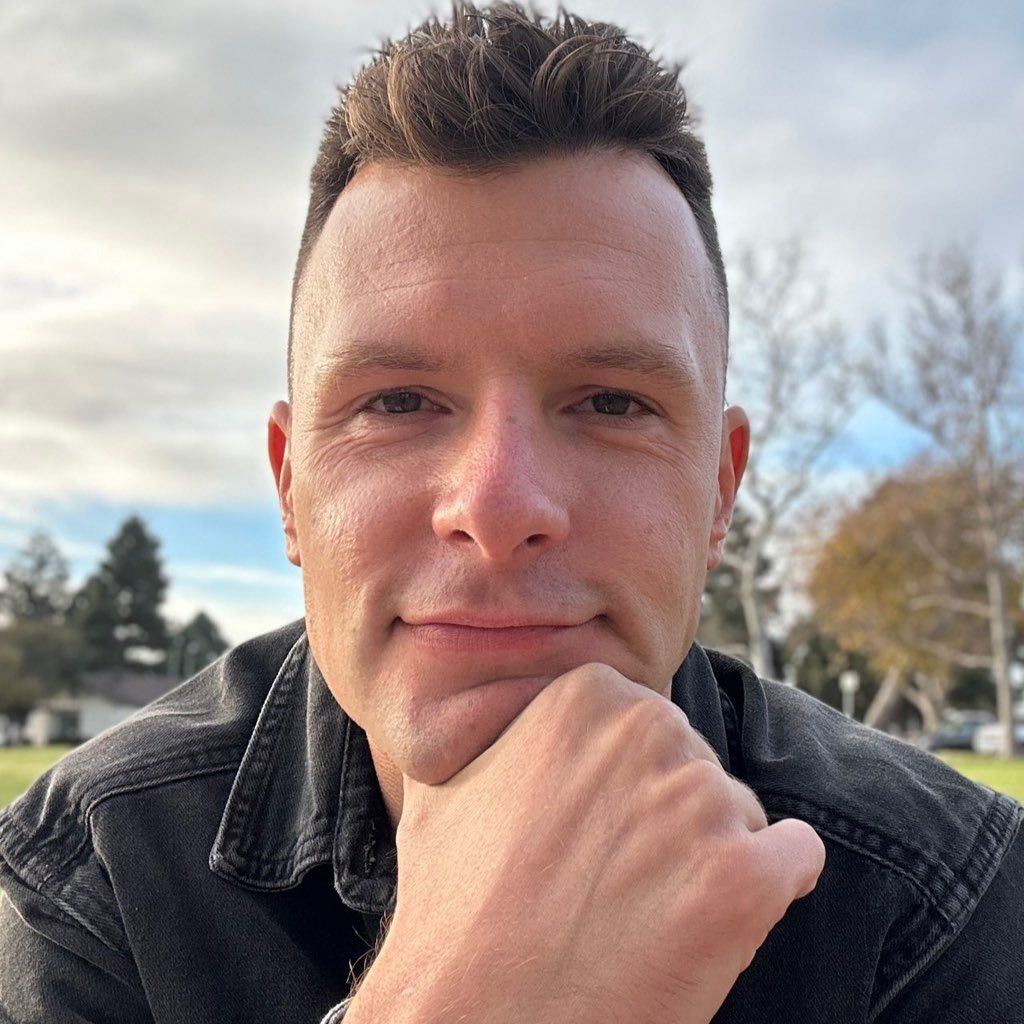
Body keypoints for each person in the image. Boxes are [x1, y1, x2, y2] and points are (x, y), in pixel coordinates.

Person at [1, 3, 1022, 1022]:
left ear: (719, 490)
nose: (496, 506)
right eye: (397, 402)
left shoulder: (947, 901)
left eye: (611, 403)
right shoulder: (90, 877)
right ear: (290, 488)